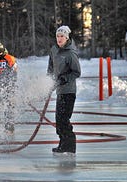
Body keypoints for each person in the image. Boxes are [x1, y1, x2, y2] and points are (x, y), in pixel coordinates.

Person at [47, 25, 81, 155]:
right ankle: (62, 144)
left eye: (62, 36)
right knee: (59, 120)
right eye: (57, 36)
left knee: (64, 119)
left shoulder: (71, 53)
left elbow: (77, 72)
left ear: (67, 38)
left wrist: (64, 79)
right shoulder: (54, 50)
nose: (59, 39)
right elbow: (50, 67)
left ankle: (70, 147)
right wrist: (49, 81)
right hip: (59, 91)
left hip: (68, 91)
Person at [0, 40, 18, 134]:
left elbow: (14, 72)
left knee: (9, 106)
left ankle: (9, 126)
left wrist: (11, 84)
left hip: (8, 86)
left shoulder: (10, 58)